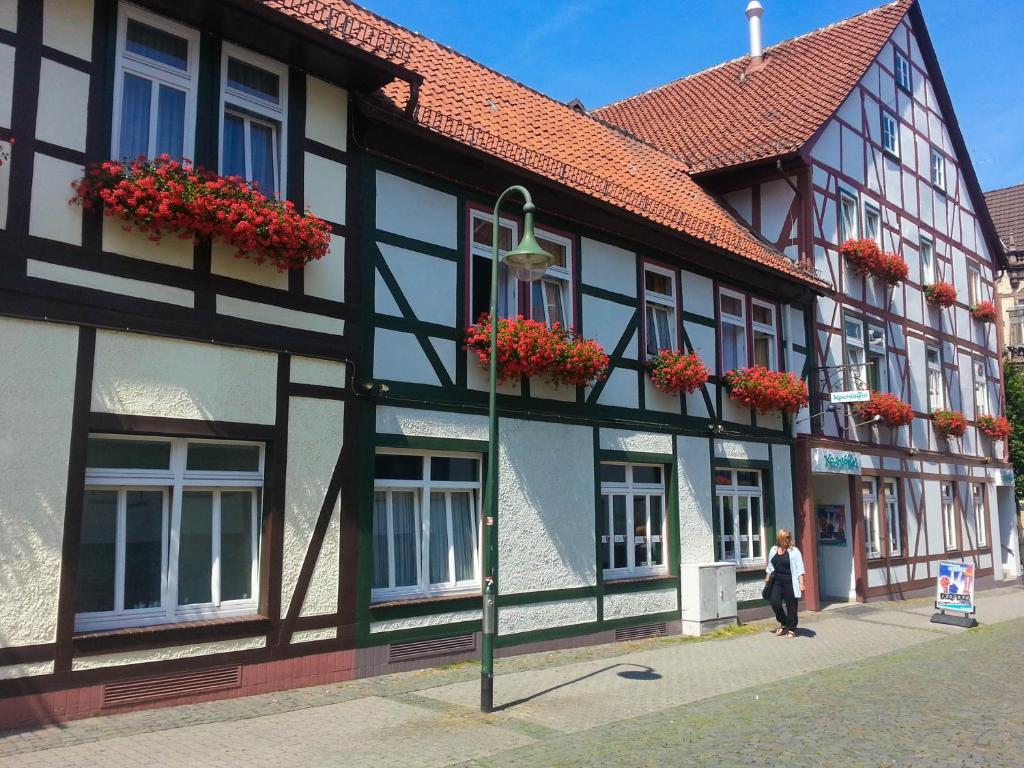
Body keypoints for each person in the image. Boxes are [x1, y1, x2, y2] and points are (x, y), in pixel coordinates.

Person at [765, 528, 805, 638]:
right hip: (777, 581)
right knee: (775, 602)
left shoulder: (794, 551)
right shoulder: (773, 549)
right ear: (780, 538)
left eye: (789, 537)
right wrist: (767, 577)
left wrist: (801, 583)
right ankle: (784, 622)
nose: (788, 539)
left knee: (791, 606)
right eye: (786, 537)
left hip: (790, 582)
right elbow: (770, 565)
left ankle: (792, 628)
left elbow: (800, 568)